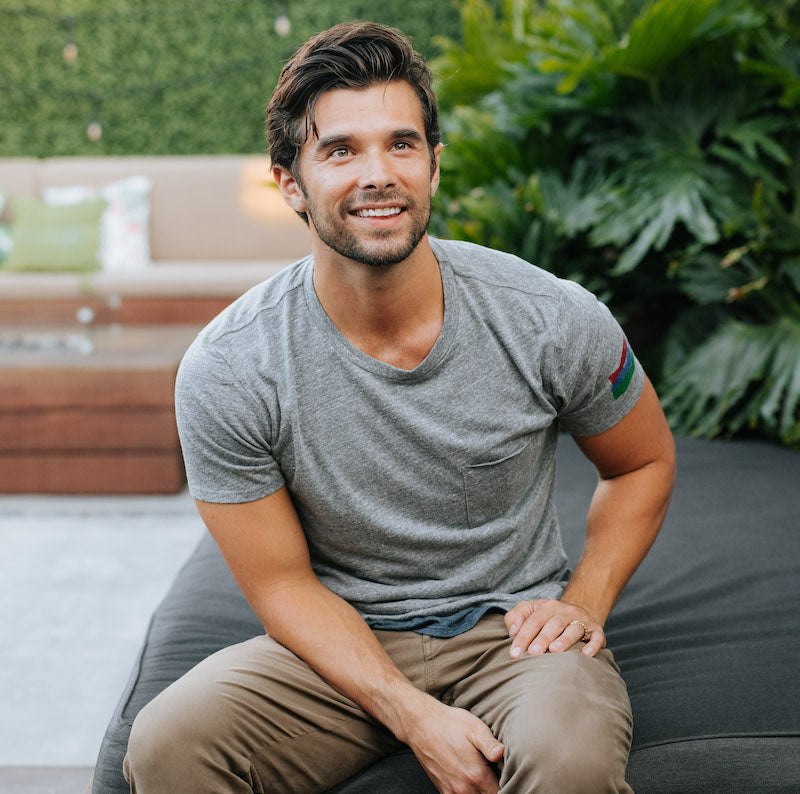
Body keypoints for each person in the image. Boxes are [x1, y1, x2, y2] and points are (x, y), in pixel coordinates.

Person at [124, 20, 676, 794]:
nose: (377, 174)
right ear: (290, 184)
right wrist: (413, 715)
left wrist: (583, 601)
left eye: (402, 144)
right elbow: (282, 585)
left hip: (514, 634)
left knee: (569, 761)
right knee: (168, 742)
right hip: (340, 643)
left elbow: (644, 460)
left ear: (435, 166)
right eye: (340, 150)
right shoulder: (230, 366)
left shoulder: (549, 316)